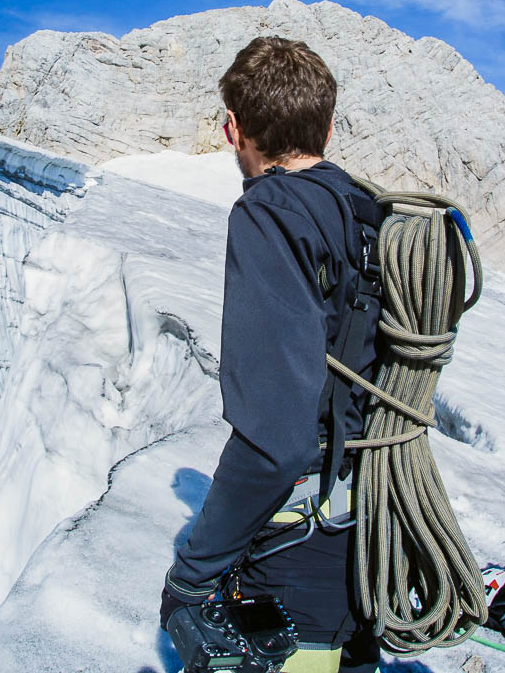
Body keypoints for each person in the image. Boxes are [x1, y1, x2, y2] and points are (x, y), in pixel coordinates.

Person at [160, 36, 382, 673]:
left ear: (234, 130)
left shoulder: (270, 212)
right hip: (368, 536)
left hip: (296, 541)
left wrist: (192, 576)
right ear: (329, 128)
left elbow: (274, 438)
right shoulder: (367, 212)